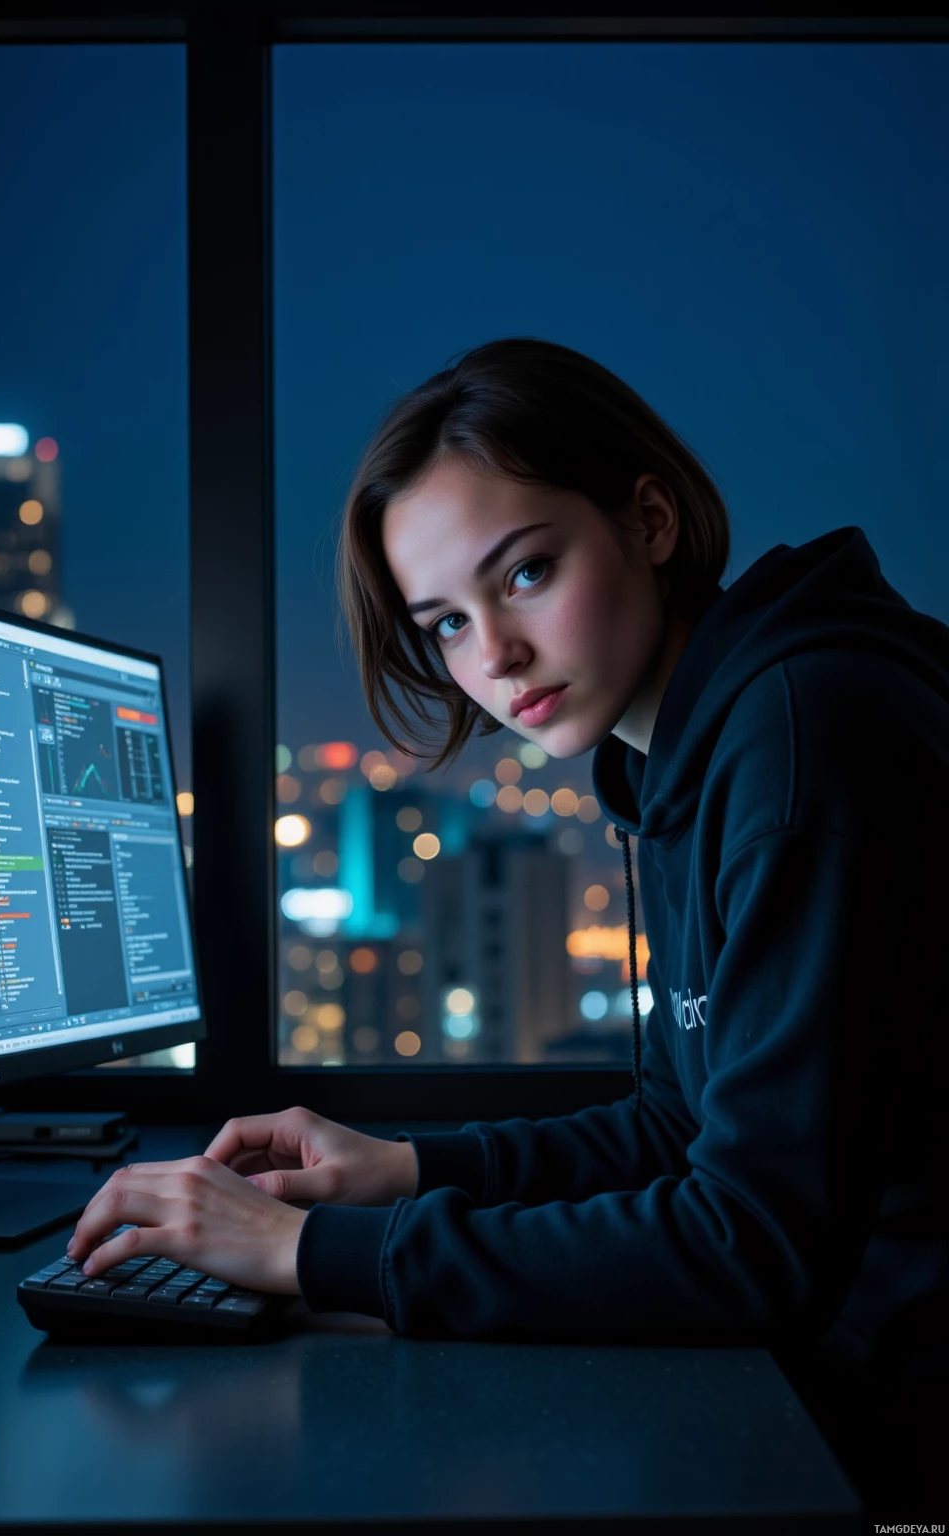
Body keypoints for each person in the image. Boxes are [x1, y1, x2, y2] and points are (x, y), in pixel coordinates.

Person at [68, 337, 948, 1522]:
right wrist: (409, 1170)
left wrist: (308, 1257)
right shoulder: (684, 757)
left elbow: (750, 1239)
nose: (495, 658)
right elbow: (685, 1121)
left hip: (902, 1437)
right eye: (443, 623)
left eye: (525, 573)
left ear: (649, 518)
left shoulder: (800, 744)